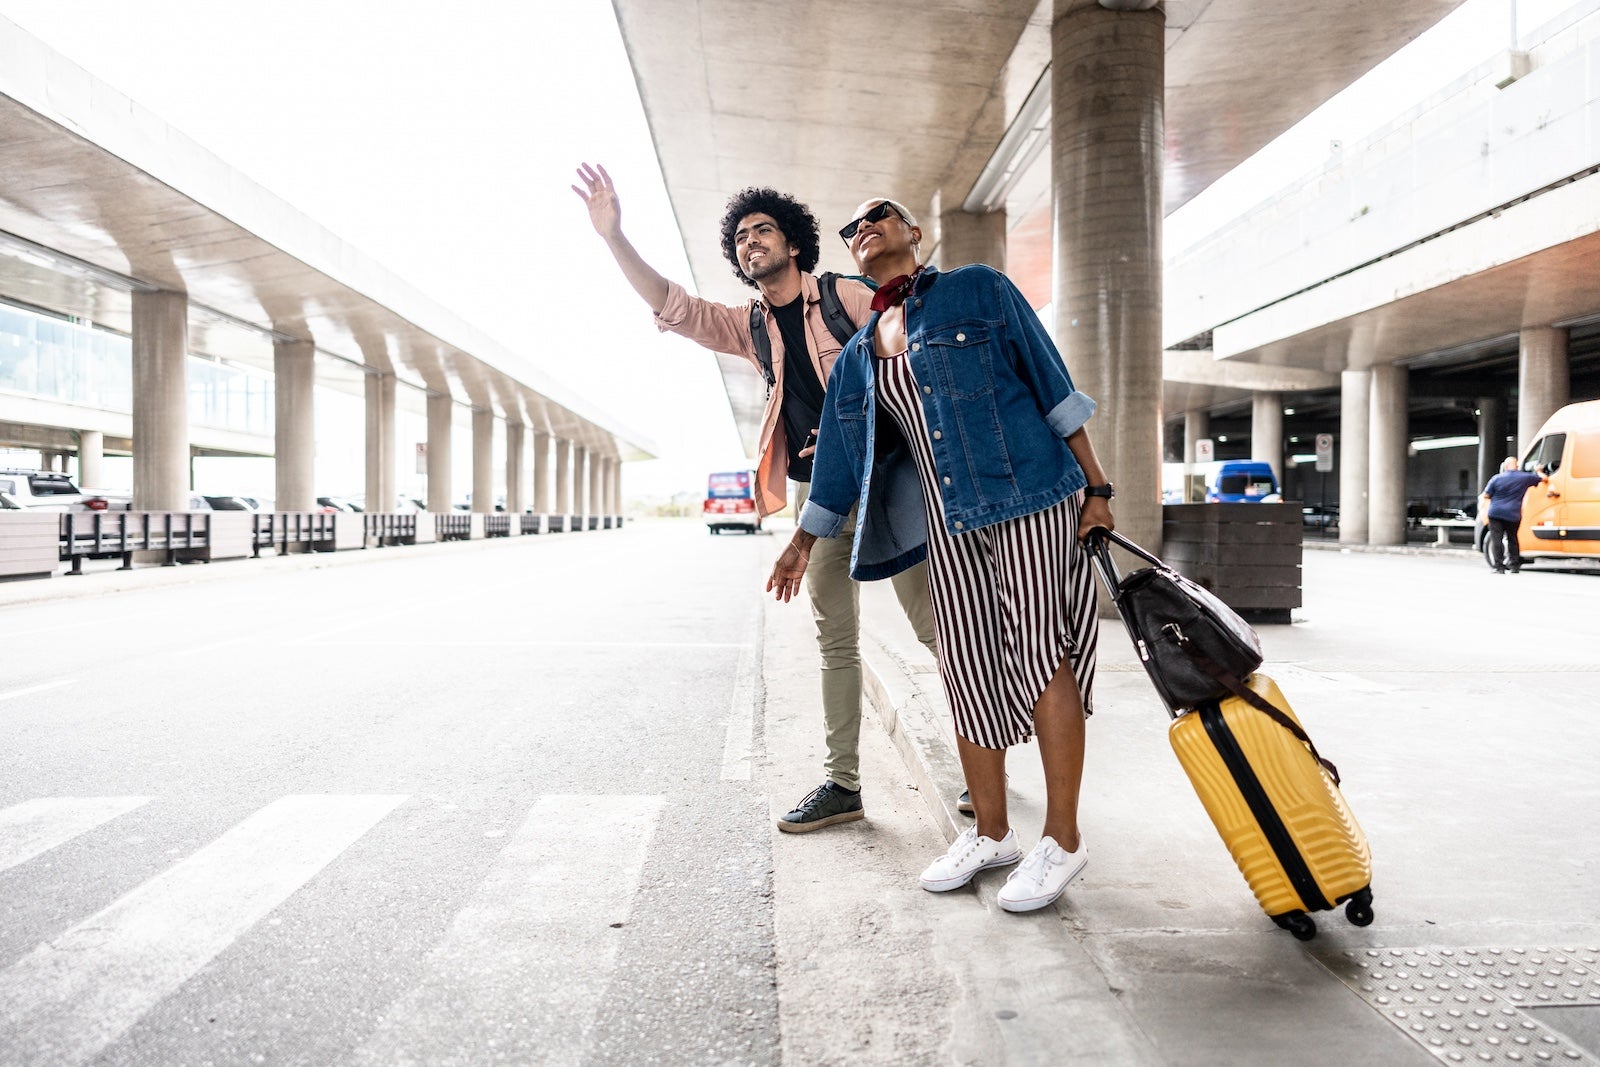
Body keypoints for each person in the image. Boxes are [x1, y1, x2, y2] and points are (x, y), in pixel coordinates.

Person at [766, 197, 1115, 913]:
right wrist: (803, 540)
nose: (864, 228)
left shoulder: (977, 288)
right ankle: (991, 833)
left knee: (1042, 651)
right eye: (852, 227)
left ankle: (1064, 838)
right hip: (946, 524)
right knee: (965, 664)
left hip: (1030, 499)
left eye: (879, 215)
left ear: (913, 233)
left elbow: (1052, 384)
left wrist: (1099, 487)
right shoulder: (862, 355)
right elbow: (836, 459)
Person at [572, 164, 938, 833]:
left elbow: (909, 354)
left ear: (792, 242)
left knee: (932, 628)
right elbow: (675, 307)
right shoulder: (753, 328)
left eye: (762, 229)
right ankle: (844, 784)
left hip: (890, 477)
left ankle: (985, 763)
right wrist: (614, 238)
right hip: (817, 496)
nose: (750, 241)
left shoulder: (846, 299)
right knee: (834, 639)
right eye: (740, 237)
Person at [1480, 456, 1546, 573]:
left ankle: (1499, 567)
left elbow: (1486, 495)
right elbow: (1544, 479)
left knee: (1497, 540)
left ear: (1505, 466)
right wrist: (1539, 471)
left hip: (1496, 513)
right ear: (1517, 466)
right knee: (1513, 539)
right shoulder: (1524, 478)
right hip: (1513, 514)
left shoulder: (1496, 479)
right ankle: (1514, 566)